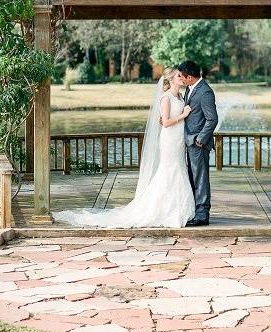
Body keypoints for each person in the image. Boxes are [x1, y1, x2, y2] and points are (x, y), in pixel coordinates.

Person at [53, 67, 196, 228]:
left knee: (179, 168)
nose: (182, 77)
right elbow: (167, 122)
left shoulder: (181, 96)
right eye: (179, 75)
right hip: (169, 140)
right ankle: (163, 209)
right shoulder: (166, 98)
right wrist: (183, 115)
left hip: (178, 140)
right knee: (169, 170)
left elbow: (162, 120)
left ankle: (176, 207)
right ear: (170, 79)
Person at [178, 60, 218, 226]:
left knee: (200, 178)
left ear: (189, 77)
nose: (180, 78)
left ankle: (202, 215)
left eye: (181, 76)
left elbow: (212, 119)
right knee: (192, 177)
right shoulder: (190, 89)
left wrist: (200, 139)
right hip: (189, 142)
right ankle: (194, 210)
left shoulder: (205, 92)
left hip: (198, 143)